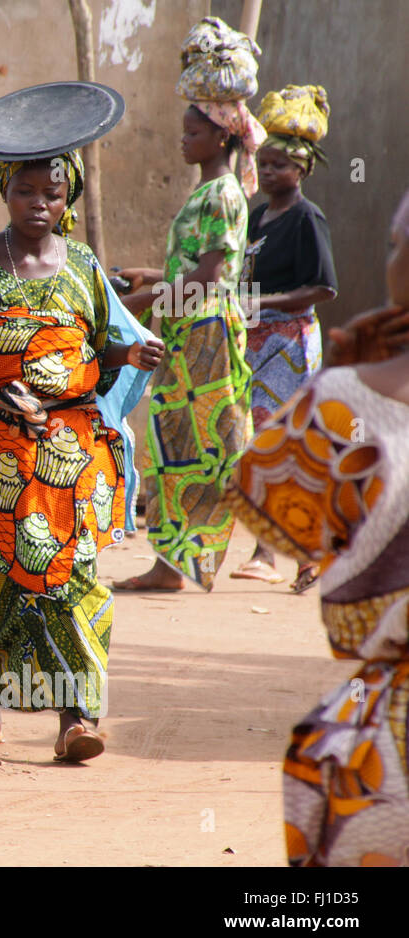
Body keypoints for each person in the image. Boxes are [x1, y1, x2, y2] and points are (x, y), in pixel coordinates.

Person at [0, 150, 163, 761]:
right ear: (6, 191)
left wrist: (128, 359)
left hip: (67, 457)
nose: (40, 203)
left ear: (67, 199)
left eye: (52, 193)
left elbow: (99, 361)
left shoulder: (83, 266)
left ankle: (76, 718)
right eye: (26, 191)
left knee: (71, 579)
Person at [226, 188, 409, 866]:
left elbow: (268, 501)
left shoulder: (350, 402)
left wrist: (334, 382)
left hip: (392, 761)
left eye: (395, 244)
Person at [114, 97, 265, 592]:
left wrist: (143, 299)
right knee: (176, 442)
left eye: (192, 133)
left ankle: (183, 562)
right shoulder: (209, 191)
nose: (183, 141)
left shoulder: (222, 194)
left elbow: (208, 278)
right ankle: (174, 563)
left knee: (198, 447)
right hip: (190, 329)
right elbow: (195, 272)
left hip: (206, 334)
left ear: (220, 137)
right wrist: (153, 275)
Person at [230, 85, 337, 593]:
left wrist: (262, 304)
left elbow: (323, 287)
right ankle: (277, 549)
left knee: (281, 446)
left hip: (288, 346)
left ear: (302, 169)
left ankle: (288, 552)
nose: (269, 172)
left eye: (279, 165)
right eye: (264, 163)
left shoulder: (305, 218)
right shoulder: (257, 217)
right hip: (254, 345)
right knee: (262, 446)